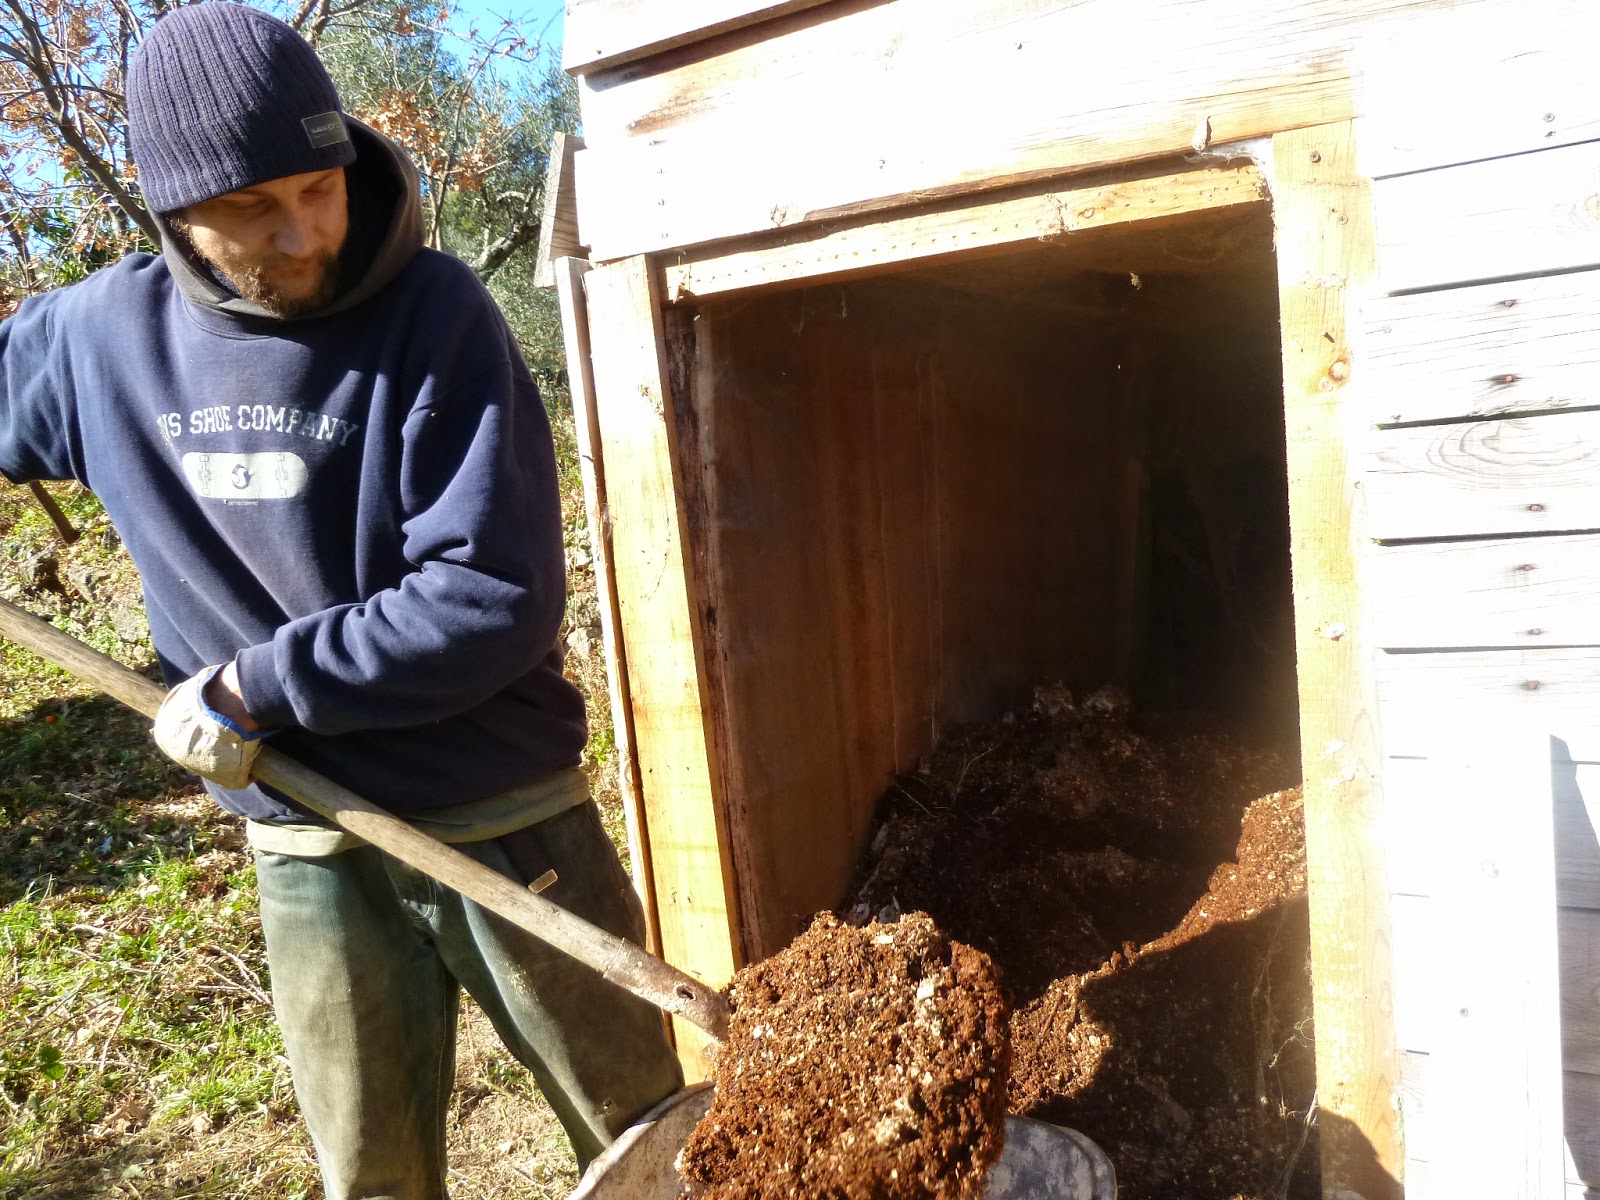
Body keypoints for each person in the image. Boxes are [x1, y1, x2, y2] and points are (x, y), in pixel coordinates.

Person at [0, 4, 683, 1196]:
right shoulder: (98, 340)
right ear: (173, 207)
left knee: (646, 1137)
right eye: (252, 208)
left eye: (319, 187)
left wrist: (253, 687)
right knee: (368, 1171)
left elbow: (490, 596)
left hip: (499, 811)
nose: (306, 231)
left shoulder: (436, 317)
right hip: (303, 829)